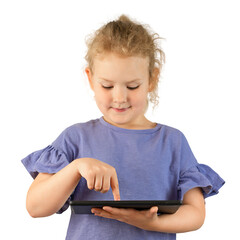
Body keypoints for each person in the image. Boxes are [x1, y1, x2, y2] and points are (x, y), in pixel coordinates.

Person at [21, 15, 225, 240]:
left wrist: (152, 223)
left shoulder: (172, 142)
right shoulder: (75, 138)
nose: (119, 97)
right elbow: (35, 207)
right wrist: (76, 167)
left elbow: (195, 213)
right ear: (90, 78)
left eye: (132, 86)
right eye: (107, 85)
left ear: (152, 79)